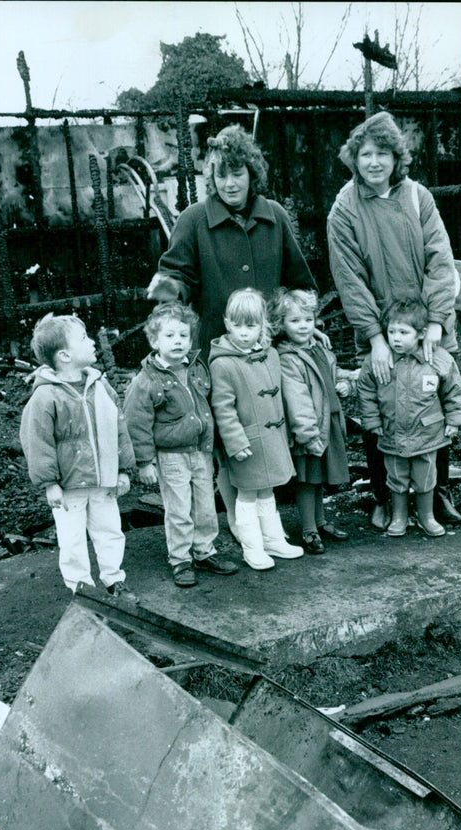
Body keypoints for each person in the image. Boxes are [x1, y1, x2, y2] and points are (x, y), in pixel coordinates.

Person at [147, 123, 319, 539]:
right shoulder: (194, 220)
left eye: (237, 173)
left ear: (252, 174)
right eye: (220, 175)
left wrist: (306, 326)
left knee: (265, 434)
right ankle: (243, 527)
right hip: (217, 355)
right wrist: (168, 298)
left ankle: (265, 523)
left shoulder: (274, 217)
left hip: (266, 354)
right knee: (228, 438)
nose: (229, 183)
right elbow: (175, 276)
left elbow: (299, 281)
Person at [327, 110, 461, 531]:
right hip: (382, 331)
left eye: (382, 153)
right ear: (354, 158)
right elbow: (349, 278)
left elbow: (440, 259)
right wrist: (376, 338)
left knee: (433, 404)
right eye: (365, 153)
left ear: (395, 158)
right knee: (380, 412)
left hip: (427, 326)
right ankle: (385, 497)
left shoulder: (417, 197)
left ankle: (437, 492)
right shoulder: (344, 208)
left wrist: (436, 323)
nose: (373, 162)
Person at [19, 313, 139, 602]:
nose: (93, 343)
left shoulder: (101, 386)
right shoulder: (45, 397)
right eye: (84, 339)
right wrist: (49, 483)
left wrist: (123, 470)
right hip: (69, 485)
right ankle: (82, 588)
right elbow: (38, 442)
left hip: (102, 479)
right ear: (65, 355)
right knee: (72, 539)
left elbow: (118, 427)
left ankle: (114, 579)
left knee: (110, 530)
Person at [122, 302, 238, 588]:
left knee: (205, 505)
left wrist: (212, 447)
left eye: (183, 336)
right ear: (155, 341)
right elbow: (137, 423)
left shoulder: (197, 368)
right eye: (170, 336)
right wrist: (145, 462)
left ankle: (204, 551)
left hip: (200, 451)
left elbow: (206, 409)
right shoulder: (146, 380)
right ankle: (180, 559)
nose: (178, 342)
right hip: (171, 456)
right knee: (179, 509)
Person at [208, 288, 304, 571]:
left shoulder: (270, 354)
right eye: (237, 325)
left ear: (263, 324)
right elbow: (223, 409)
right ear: (227, 323)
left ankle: (273, 539)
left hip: (271, 439)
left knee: (267, 491)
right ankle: (252, 548)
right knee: (247, 495)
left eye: (251, 325)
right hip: (247, 443)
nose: (244, 333)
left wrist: (284, 433)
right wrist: (235, 442)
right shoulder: (223, 363)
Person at [357, 297, 461, 538]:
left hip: (427, 433)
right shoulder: (378, 360)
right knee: (396, 476)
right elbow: (366, 391)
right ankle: (399, 517)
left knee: (425, 477)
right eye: (392, 331)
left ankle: (426, 516)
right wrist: (372, 421)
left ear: (421, 333)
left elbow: (453, 390)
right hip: (392, 432)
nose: (396, 338)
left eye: (403, 332)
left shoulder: (438, 359)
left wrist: (454, 420)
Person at [271, 288, 351, 555]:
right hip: (311, 427)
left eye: (307, 319)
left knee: (320, 479)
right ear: (282, 324)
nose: (303, 326)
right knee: (308, 480)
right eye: (295, 321)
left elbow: (330, 374)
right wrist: (307, 434)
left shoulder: (318, 347)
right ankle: (308, 530)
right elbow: (297, 400)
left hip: (328, 422)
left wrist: (342, 383)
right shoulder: (288, 358)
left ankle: (321, 521)